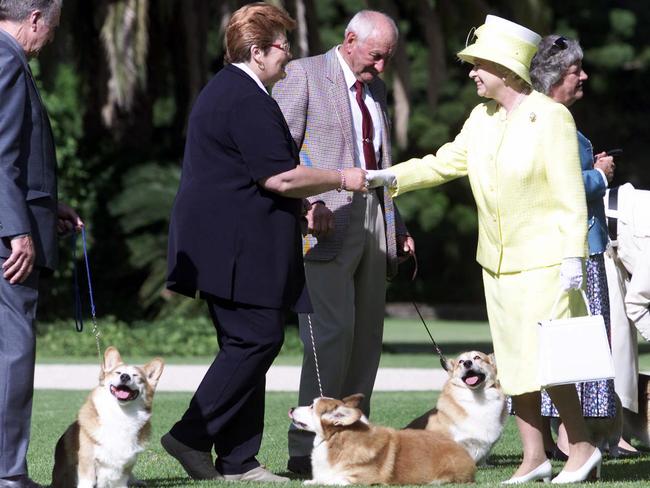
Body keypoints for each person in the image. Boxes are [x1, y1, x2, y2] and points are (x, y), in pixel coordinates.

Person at [368, 15, 602, 484]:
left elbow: (569, 191)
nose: (473, 72)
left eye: (479, 65)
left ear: (507, 67)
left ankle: (583, 450)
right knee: (513, 369)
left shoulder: (551, 116)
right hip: (496, 263)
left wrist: (574, 255)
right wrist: (389, 177)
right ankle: (533, 458)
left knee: (549, 363)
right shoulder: (482, 118)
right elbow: (444, 162)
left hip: (547, 261)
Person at [162, 3, 368, 483]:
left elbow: (253, 174)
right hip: (234, 249)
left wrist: (304, 209)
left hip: (234, 247)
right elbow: (277, 177)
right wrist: (342, 178)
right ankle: (190, 437)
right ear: (257, 52)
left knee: (247, 341)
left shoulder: (239, 92)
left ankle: (238, 461)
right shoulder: (244, 98)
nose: (289, 57)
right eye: (282, 47)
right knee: (257, 338)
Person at [272, 10, 415, 475]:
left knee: (367, 338)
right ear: (350, 39)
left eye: (388, 58)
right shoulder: (302, 75)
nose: (381, 67)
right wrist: (303, 208)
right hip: (324, 222)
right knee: (330, 338)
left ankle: (353, 441)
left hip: (375, 217)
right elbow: (277, 155)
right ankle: (303, 446)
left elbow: (380, 163)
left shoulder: (373, 90)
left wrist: (399, 226)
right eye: (376, 56)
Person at [529, 34, 631, 458]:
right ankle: (576, 442)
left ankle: (573, 440)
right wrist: (601, 174)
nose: (584, 76)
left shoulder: (537, 118)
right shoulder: (555, 121)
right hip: (575, 248)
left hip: (557, 246)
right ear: (556, 78)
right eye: (576, 71)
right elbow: (559, 185)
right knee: (584, 343)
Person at [0, 2, 84, 487]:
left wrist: (48, 208)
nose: (51, 37)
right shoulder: (8, 61)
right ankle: (8, 472)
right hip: (7, 242)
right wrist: (17, 229)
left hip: (18, 219)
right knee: (13, 351)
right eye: (52, 26)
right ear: (34, 17)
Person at [604, 183, 650, 444]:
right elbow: (636, 303)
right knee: (619, 337)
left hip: (621, 230)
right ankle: (615, 434)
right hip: (599, 229)